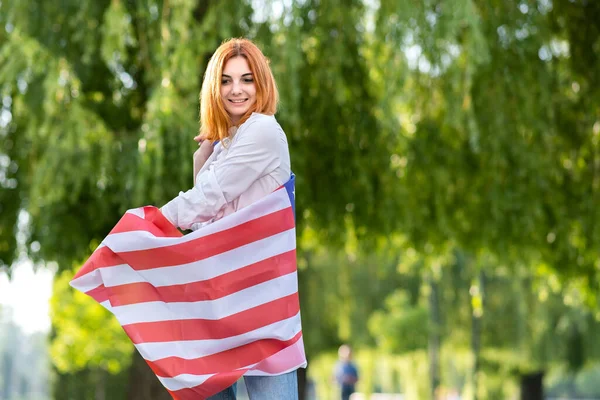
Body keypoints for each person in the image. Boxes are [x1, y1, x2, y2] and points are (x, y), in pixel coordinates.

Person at [160, 38, 297, 399]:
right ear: (214, 87)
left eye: (247, 79)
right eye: (226, 80)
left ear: (262, 83)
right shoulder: (225, 146)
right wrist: (203, 155)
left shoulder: (263, 131)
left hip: (260, 304)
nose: (236, 90)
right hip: (222, 303)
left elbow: (206, 199)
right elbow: (205, 229)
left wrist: (153, 222)